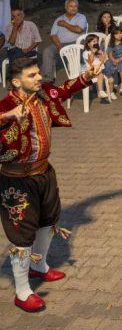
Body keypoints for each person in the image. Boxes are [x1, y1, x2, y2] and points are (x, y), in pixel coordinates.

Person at [0, 57, 100, 312]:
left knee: (47, 221)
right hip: (17, 180)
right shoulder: (6, 105)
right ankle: (22, 291)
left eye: (38, 74)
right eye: (32, 75)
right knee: (22, 235)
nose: (39, 79)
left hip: (44, 172)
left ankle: (38, 266)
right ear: (15, 81)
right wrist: (9, 116)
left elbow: (64, 89)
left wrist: (87, 75)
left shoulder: (43, 95)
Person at [41, 0, 88, 83]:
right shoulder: (59, 19)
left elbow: (78, 30)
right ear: (66, 8)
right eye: (71, 6)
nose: (73, 8)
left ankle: (76, 79)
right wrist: (58, 45)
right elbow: (53, 35)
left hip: (75, 43)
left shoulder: (81, 17)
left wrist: (65, 24)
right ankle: (47, 79)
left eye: (75, 6)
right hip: (60, 44)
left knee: (73, 57)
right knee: (47, 51)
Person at [104, 27, 122, 100]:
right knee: (107, 63)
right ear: (113, 36)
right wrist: (113, 60)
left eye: (120, 33)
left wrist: (119, 59)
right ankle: (110, 79)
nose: (119, 35)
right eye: (117, 34)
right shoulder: (111, 44)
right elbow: (109, 54)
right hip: (114, 58)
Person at [82, 35, 108, 102]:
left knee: (101, 73)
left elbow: (102, 61)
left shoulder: (98, 51)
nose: (96, 43)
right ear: (88, 44)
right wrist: (93, 53)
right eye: (94, 41)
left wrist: (101, 55)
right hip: (90, 70)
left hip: (99, 69)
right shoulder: (86, 53)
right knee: (100, 74)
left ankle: (100, 91)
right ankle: (101, 91)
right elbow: (90, 62)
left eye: (97, 41)